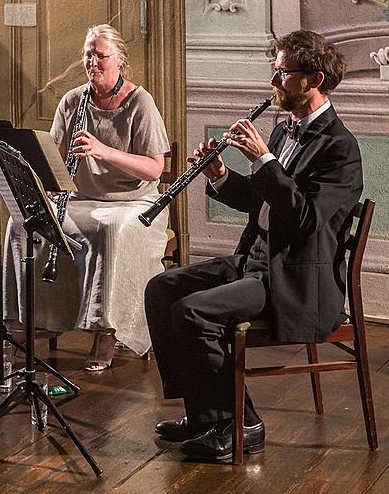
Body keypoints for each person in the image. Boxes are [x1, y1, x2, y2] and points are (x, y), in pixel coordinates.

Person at [144, 30, 363, 461]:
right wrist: (220, 175)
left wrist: (264, 160)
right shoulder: (284, 131)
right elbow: (260, 202)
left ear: (314, 79)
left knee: (194, 312)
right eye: (275, 70)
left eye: (283, 73)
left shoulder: (341, 149)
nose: (274, 81)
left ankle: (243, 424)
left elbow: (305, 222)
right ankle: (207, 412)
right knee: (162, 288)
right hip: (256, 262)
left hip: (295, 278)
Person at [3, 24, 171, 371]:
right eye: (88, 54)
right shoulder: (73, 100)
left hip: (133, 202)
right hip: (80, 199)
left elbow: (155, 169)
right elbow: (55, 159)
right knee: (21, 224)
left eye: (100, 55)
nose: (92, 62)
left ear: (120, 61)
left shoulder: (140, 102)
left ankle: (106, 329)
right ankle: (20, 323)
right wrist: (48, 185)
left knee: (109, 231)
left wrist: (104, 152)